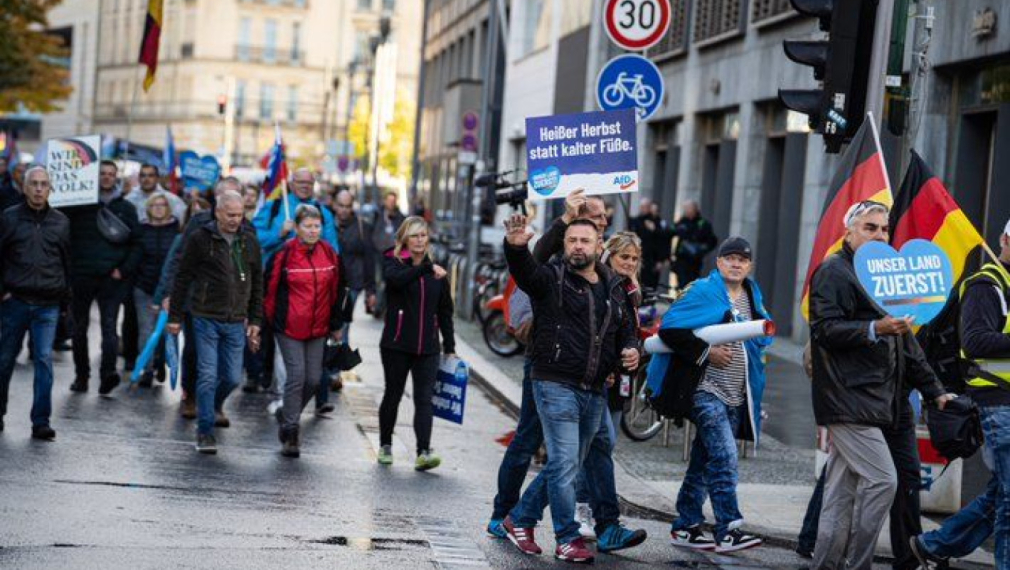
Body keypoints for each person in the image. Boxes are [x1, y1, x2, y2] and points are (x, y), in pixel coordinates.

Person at [488, 189, 646, 556]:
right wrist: (517, 247)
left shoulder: (613, 285)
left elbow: (625, 330)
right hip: (553, 381)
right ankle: (566, 538)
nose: (577, 246)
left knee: (571, 461)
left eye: (584, 240)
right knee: (559, 459)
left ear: (598, 244)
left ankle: (520, 518)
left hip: (593, 387)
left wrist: (630, 352)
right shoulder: (552, 278)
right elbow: (526, 269)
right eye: (572, 240)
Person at [809, 201, 954, 569]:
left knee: (840, 493)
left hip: (876, 400)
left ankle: (827, 564)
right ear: (849, 232)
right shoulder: (834, 271)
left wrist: (935, 390)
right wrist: (875, 328)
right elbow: (823, 329)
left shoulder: (883, 274)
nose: (879, 235)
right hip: (847, 398)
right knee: (883, 481)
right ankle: (857, 563)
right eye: (869, 227)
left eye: (884, 229)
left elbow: (908, 345)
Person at [649, 236, 770, 552]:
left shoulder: (752, 295)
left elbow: (757, 337)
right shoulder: (702, 290)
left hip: (736, 394)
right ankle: (729, 528)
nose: (736, 264)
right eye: (730, 258)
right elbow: (670, 328)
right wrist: (706, 352)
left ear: (749, 266)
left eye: (742, 260)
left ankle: (686, 525)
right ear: (718, 263)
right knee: (725, 456)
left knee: (703, 461)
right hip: (705, 390)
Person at [911, 217, 1010, 569]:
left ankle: (933, 545)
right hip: (997, 403)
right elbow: (975, 341)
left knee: (1001, 493)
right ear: (1004, 240)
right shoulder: (986, 285)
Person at [167, 191, 263, 454]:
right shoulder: (200, 238)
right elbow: (183, 277)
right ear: (218, 212)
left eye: (239, 215)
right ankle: (205, 431)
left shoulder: (249, 241)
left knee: (231, 378)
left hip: (236, 320)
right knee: (207, 376)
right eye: (230, 214)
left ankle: (212, 404)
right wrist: (175, 316)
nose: (235, 220)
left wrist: (255, 319)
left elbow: (257, 283)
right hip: (205, 317)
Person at [264, 205, 346, 457]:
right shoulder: (284, 253)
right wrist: (268, 322)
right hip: (288, 326)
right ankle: (291, 433)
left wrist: (336, 324)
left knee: (313, 379)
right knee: (297, 376)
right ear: (297, 228)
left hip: (318, 327)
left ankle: (287, 413)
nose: (313, 231)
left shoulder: (329, 253)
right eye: (308, 226)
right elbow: (269, 289)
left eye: (317, 226)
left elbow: (337, 291)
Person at [376, 216, 455, 470]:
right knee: (393, 394)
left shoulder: (437, 273)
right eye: (414, 236)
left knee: (424, 399)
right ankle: (385, 445)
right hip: (396, 344)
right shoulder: (393, 261)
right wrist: (425, 268)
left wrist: (450, 346)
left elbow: (445, 311)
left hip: (428, 348)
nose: (420, 240)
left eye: (423, 235)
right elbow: (396, 280)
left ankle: (423, 451)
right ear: (404, 239)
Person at [157, 180, 241, 416]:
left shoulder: (245, 227)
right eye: (225, 195)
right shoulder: (199, 222)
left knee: (225, 359)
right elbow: (180, 260)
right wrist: (170, 294)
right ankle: (190, 395)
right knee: (194, 350)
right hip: (197, 299)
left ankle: (216, 402)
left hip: (229, 303)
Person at [0, 167, 71, 439]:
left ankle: (41, 421)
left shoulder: (61, 222)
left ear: (50, 188)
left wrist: (65, 300)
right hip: (15, 301)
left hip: (48, 303)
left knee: (43, 360)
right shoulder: (9, 218)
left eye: (44, 184)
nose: (39, 189)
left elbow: (66, 261)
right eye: (34, 184)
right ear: (25, 187)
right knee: (5, 359)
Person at [64, 160, 141, 395]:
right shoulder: (79, 204)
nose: (106, 177)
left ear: (116, 177)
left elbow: (137, 243)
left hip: (111, 278)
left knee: (109, 327)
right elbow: (64, 234)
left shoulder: (126, 208)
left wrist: (123, 270)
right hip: (82, 275)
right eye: (102, 173)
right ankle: (82, 376)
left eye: (110, 174)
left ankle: (108, 374)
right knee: (79, 328)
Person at [331, 189, 376, 383]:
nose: (344, 210)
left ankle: (335, 372)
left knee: (343, 325)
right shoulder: (326, 224)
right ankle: (328, 366)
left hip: (352, 284)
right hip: (329, 282)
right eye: (341, 205)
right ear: (335, 205)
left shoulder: (362, 227)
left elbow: (369, 259)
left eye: (347, 206)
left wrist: (371, 290)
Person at [133, 194, 178, 386]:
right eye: (155, 205)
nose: (159, 208)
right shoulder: (141, 230)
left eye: (162, 205)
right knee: (146, 330)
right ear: (149, 208)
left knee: (165, 331)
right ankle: (148, 369)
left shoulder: (176, 230)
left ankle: (160, 361)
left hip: (168, 290)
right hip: (144, 287)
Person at [671, 200, 718, 289]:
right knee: (681, 284)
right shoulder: (682, 222)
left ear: (694, 209)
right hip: (681, 259)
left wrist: (702, 249)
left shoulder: (703, 223)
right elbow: (671, 231)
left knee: (692, 284)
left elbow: (712, 241)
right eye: (685, 209)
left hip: (694, 261)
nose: (686, 211)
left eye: (688, 209)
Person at [629, 198, 669, 289]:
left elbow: (663, 241)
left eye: (646, 207)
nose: (643, 209)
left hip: (652, 260)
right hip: (637, 257)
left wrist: (661, 260)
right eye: (642, 207)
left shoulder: (657, 222)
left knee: (650, 285)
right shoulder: (635, 221)